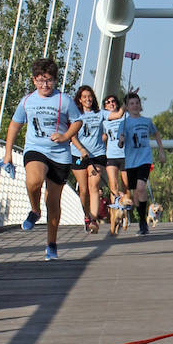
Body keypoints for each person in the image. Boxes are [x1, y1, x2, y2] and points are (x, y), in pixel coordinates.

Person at [3, 58, 83, 262]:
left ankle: (51, 244)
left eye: (48, 81)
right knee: (34, 181)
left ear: (55, 80)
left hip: (59, 154)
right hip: (36, 149)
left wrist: (65, 137)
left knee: (53, 201)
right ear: (33, 80)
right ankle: (34, 209)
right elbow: (14, 125)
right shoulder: (28, 101)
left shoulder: (63, 100)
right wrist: (8, 153)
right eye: (40, 80)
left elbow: (77, 121)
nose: (44, 85)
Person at [120, 91, 166, 234]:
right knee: (135, 193)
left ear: (140, 105)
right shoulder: (124, 123)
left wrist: (161, 150)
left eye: (137, 103)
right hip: (131, 162)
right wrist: (121, 140)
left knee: (141, 188)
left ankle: (142, 223)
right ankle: (141, 218)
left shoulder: (147, 121)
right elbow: (120, 142)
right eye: (131, 104)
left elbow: (156, 133)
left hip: (145, 159)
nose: (135, 106)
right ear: (127, 107)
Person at [71, 85, 107, 233]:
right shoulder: (75, 115)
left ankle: (93, 219)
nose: (88, 99)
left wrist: (126, 101)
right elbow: (72, 136)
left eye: (90, 96)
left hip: (97, 155)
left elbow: (117, 115)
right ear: (80, 99)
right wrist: (81, 149)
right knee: (84, 190)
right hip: (78, 155)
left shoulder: (100, 113)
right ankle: (86, 216)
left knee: (94, 187)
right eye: (84, 96)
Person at [100, 91, 129, 224]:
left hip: (125, 155)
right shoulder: (105, 121)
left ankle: (125, 212)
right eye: (108, 102)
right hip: (111, 156)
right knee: (113, 185)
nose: (111, 104)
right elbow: (103, 137)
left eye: (113, 101)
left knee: (126, 185)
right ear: (105, 107)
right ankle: (115, 214)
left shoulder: (125, 117)